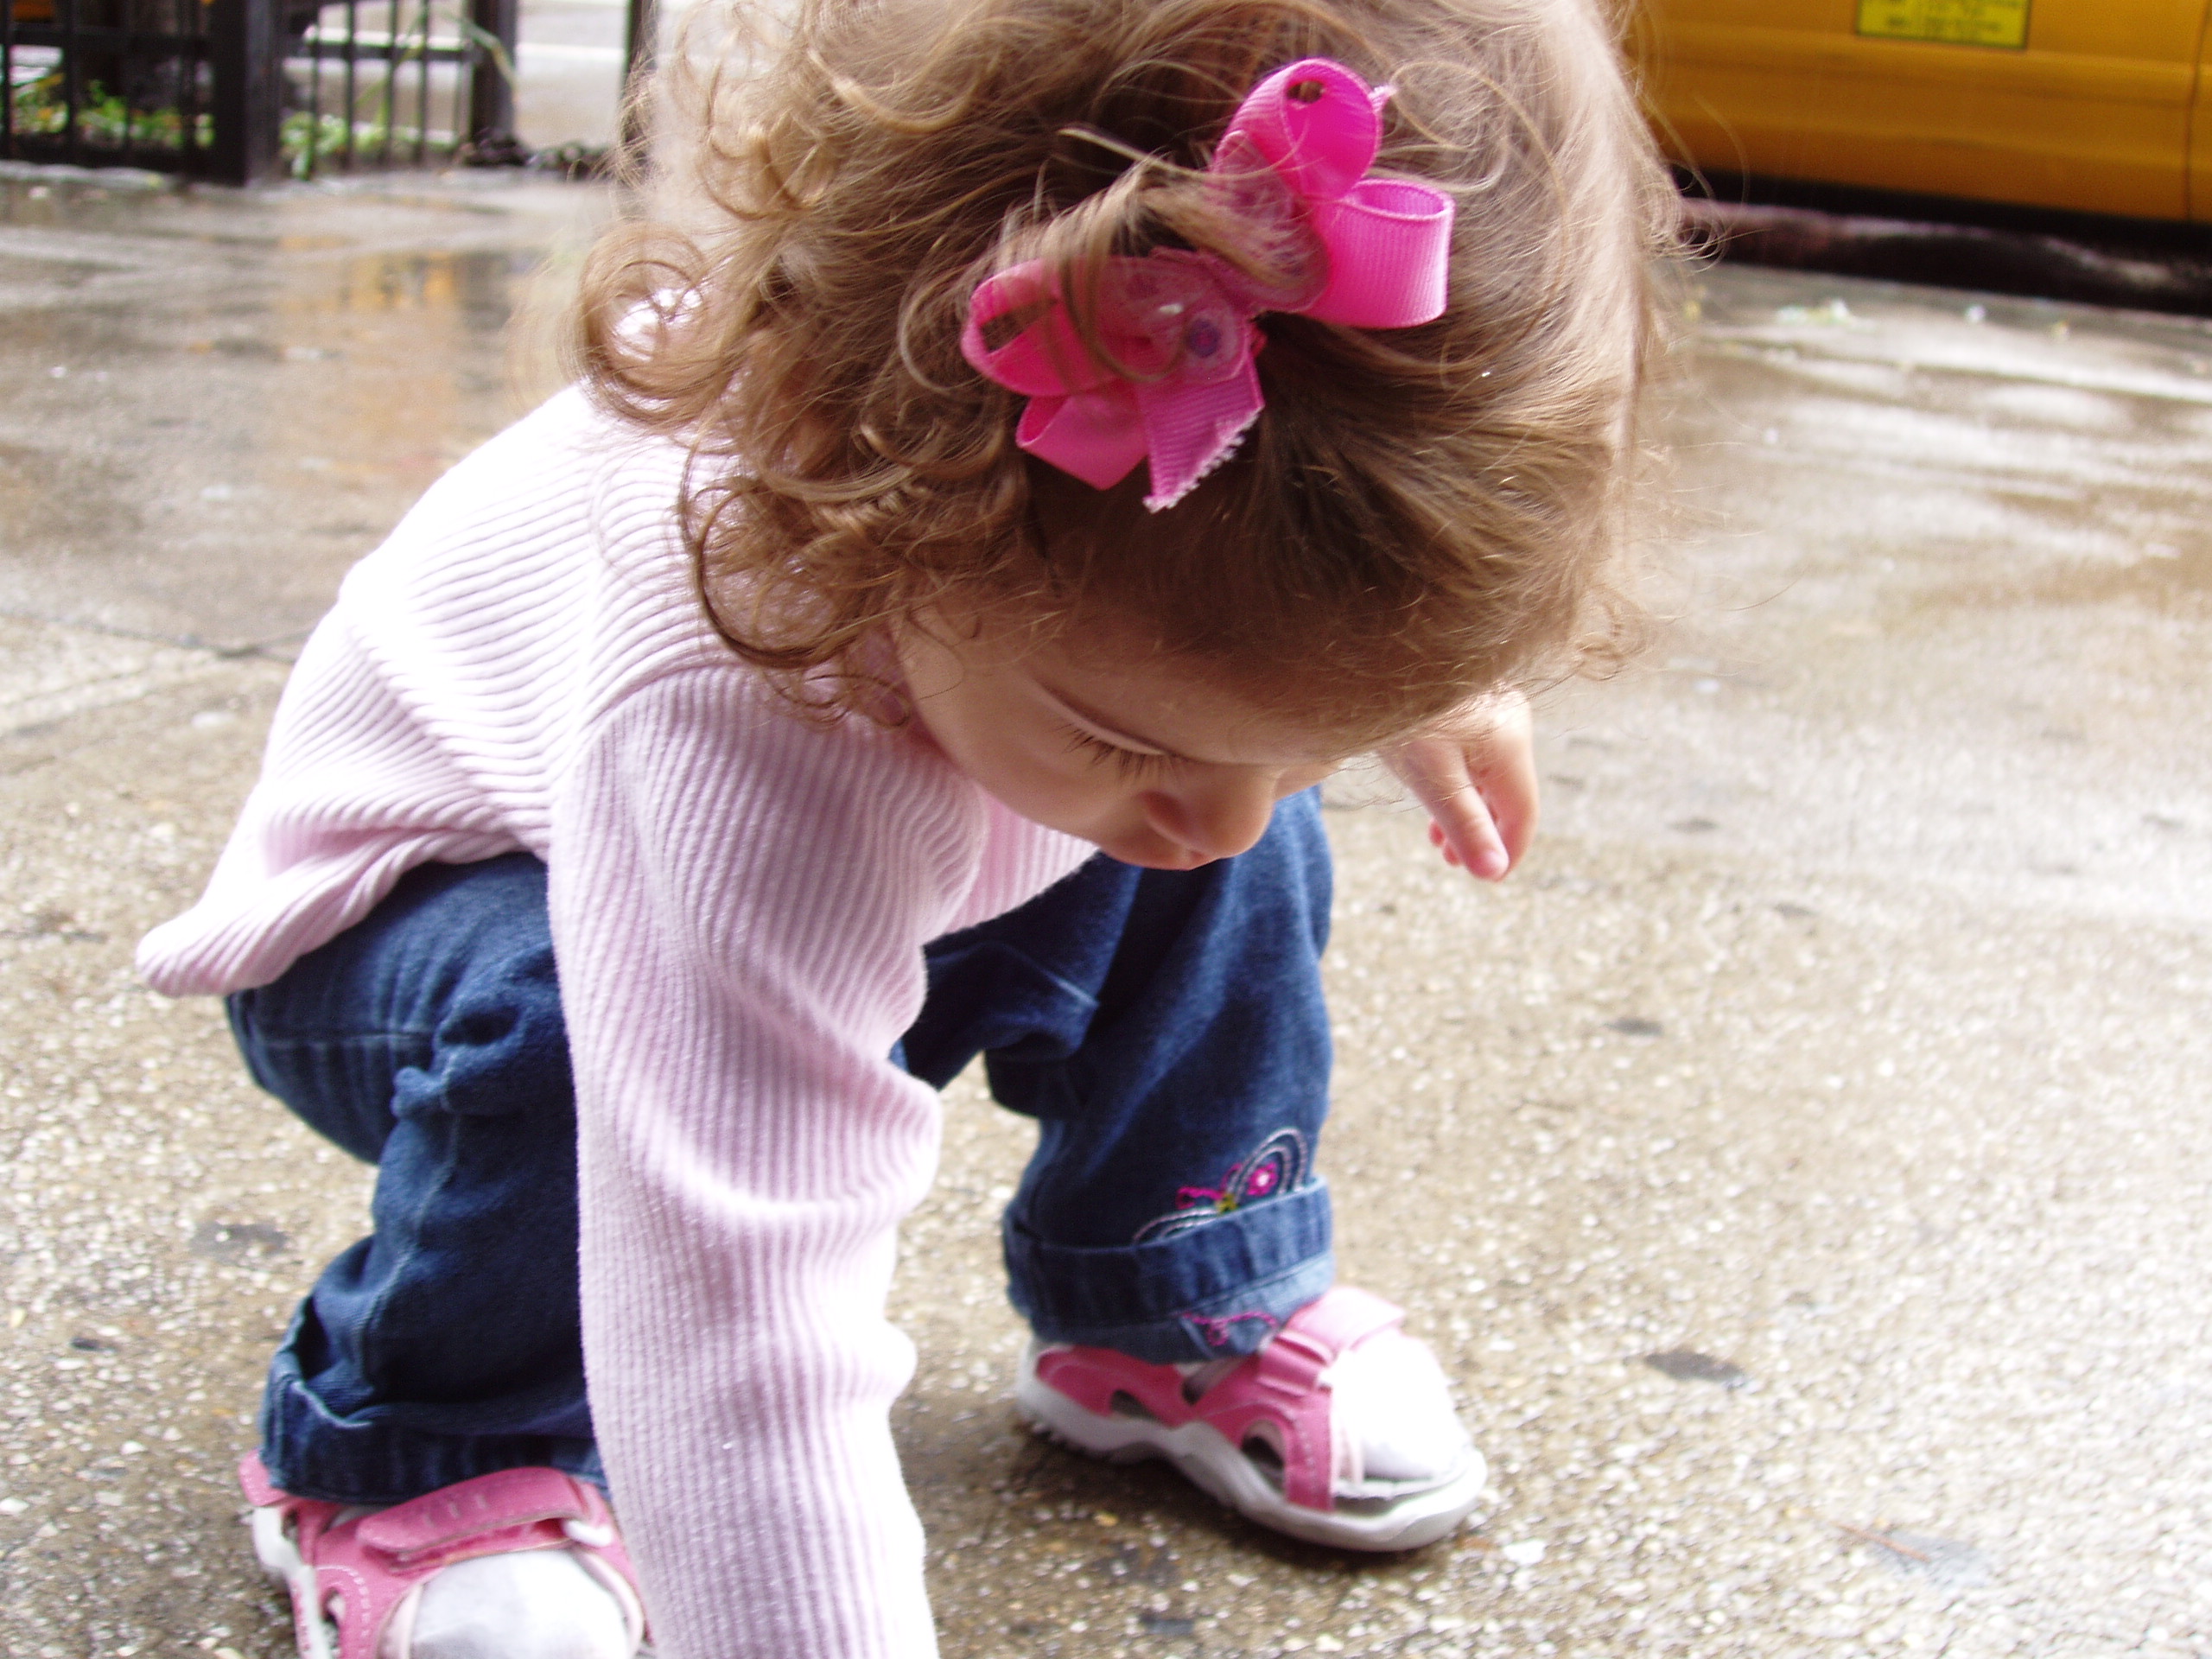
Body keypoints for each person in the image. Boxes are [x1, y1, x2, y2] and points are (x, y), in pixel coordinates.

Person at [137, 0, 1672, 1654]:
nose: (1224, 806)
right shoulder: (727, 699)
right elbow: (738, 1318)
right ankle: (433, 1441)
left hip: (899, 840)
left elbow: (1248, 604)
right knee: (566, 1028)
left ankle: (1173, 1290)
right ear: (868, 479)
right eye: (1124, 728)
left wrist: (1391, 676)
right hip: (423, 942)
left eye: (1321, 745)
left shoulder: (1082, 618)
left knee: (1217, 848)